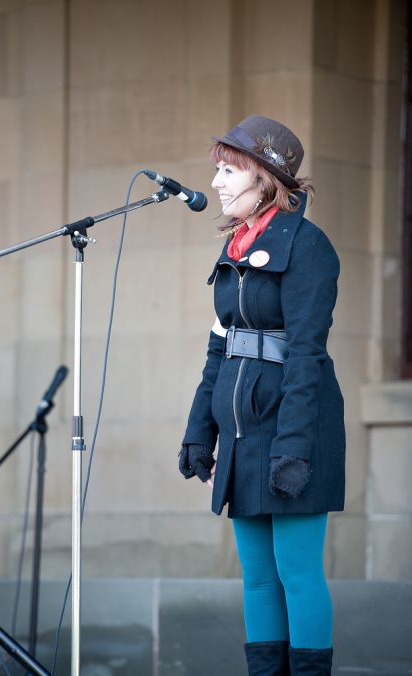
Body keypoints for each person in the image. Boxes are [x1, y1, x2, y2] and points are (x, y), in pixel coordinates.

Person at [179, 115, 345, 676]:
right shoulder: (233, 248)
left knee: (297, 572)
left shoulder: (308, 246)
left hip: (294, 428)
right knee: (256, 577)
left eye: (230, 171)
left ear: (267, 179)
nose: (218, 182)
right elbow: (218, 350)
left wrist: (294, 448)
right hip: (242, 432)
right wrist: (199, 432)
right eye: (218, 170)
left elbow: (306, 356)